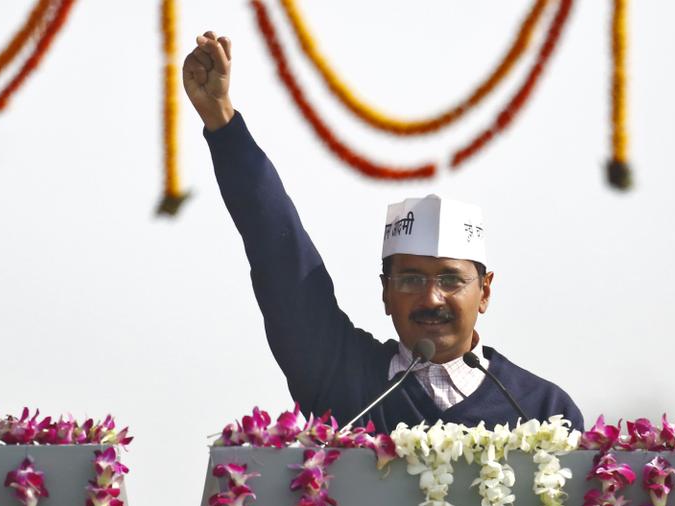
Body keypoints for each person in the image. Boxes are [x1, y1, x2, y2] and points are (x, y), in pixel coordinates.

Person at [183, 32, 584, 434]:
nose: (431, 298)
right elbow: (278, 251)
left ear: (485, 291)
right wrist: (222, 121)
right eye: (410, 279)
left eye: (451, 279)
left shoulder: (543, 411)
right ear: (385, 292)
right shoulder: (342, 377)